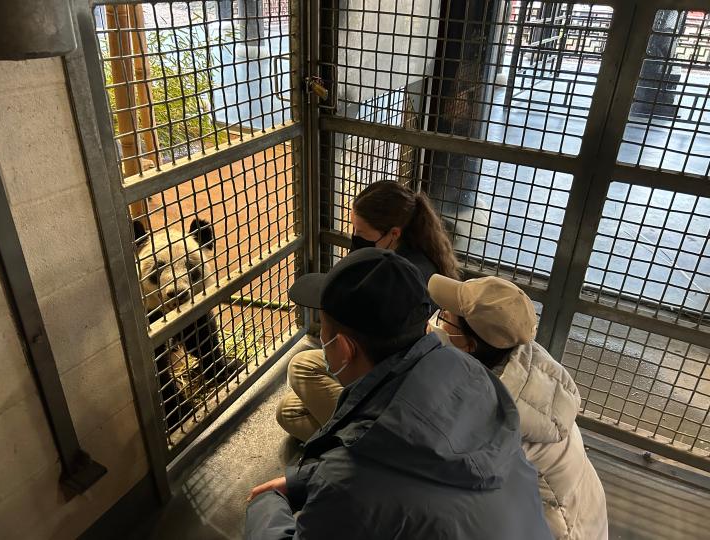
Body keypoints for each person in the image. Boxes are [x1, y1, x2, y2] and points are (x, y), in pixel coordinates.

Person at [245, 248, 553, 540]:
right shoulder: (471, 373)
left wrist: (265, 504)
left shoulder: (350, 477)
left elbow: (365, 483)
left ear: (342, 348)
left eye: (322, 331)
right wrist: (306, 481)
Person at [427, 274, 609, 540]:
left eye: (446, 316)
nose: (438, 318)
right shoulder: (523, 359)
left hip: (557, 528)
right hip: (585, 509)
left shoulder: (493, 414)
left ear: (469, 345)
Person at [276, 180, 459, 442]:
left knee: (297, 385)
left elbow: (375, 351)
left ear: (393, 233)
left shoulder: (402, 279)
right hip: (397, 368)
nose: (355, 237)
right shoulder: (413, 256)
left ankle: (361, 441)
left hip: (387, 377)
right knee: (289, 406)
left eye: (361, 232)